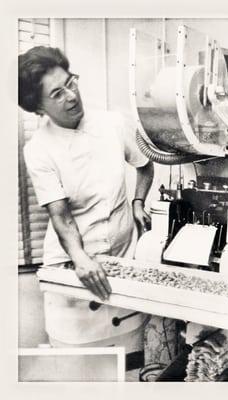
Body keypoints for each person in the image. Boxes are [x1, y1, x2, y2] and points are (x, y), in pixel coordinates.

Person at [19, 46, 154, 350]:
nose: (70, 95)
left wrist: (137, 203)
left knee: (130, 371)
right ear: (38, 108)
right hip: (73, 273)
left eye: (71, 82)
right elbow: (60, 214)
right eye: (56, 93)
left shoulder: (112, 124)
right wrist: (80, 259)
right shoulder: (39, 149)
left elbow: (146, 164)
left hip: (123, 264)